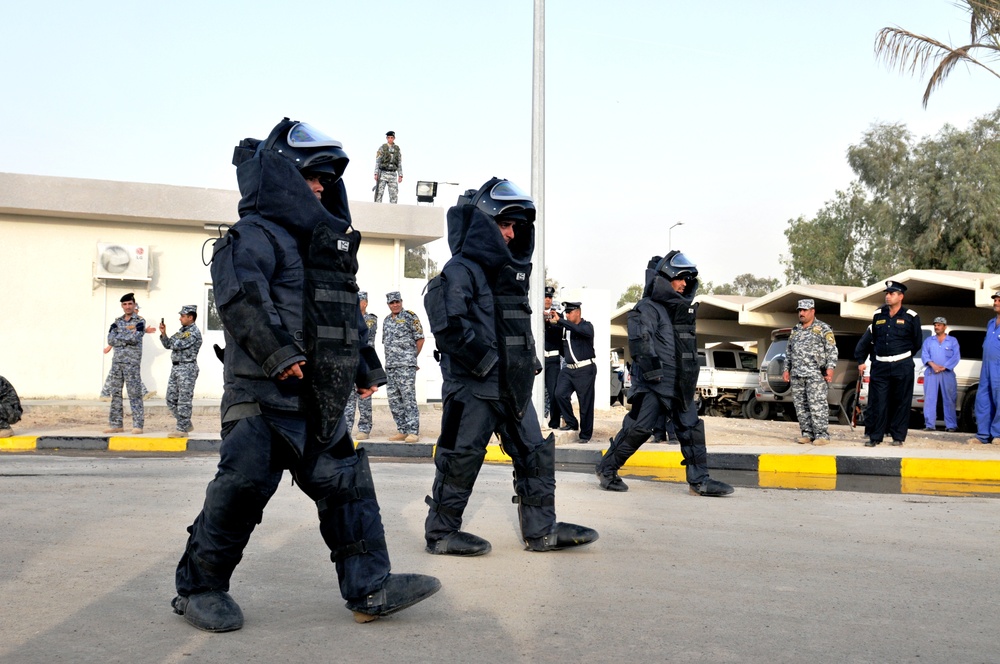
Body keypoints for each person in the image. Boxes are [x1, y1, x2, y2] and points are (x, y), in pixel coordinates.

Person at [172, 117, 439, 632]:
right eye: (311, 177)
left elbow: (345, 316)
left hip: (320, 399)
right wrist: (277, 354)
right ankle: (199, 590)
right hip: (262, 399)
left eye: (326, 179)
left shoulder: (326, 245)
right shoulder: (251, 236)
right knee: (241, 491)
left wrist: (364, 365)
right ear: (283, 178)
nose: (320, 187)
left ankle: (369, 587)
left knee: (346, 487)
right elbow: (241, 299)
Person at [422, 177, 598, 556]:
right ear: (483, 224)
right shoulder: (460, 270)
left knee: (535, 454)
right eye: (504, 224)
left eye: (515, 226)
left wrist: (526, 360)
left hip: (513, 386)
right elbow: (449, 327)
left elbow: (514, 327)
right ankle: (441, 533)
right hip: (473, 388)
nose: (510, 233)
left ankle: (542, 530)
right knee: (460, 459)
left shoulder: (510, 276)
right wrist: (486, 363)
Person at [595, 251, 734, 497]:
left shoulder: (681, 310)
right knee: (638, 429)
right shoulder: (647, 308)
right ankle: (607, 469)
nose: (684, 284)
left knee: (691, 430)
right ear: (664, 279)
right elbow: (641, 342)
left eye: (687, 279)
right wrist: (653, 373)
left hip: (681, 384)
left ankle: (699, 480)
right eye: (679, 278)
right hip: (654, 384)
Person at [854, 280, 922, 447]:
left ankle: (898, 436)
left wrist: (902, 356)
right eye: (887, 293)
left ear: (901, 296)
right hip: (881, 365)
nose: (888, 296)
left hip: (902, 364)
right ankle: (875, 437)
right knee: (878, 402)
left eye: (892, 293)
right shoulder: (878, 315)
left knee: (901, 401)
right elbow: (873, 339)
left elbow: (917, 343)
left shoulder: (911, 317)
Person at [781, 298, 838, 445]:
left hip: (816, 374)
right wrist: (786, 369)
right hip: (797, 374)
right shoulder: (795, 330)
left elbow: (832, 350)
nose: (801, 313)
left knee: (817, 405)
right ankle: (806, 433)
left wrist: (830, 368)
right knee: (801, 406)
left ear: (813, 311)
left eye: (805, 310)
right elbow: (789, 352)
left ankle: (822, 435)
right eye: (800, 310)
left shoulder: (824, 328)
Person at [101, 293, 156, 434]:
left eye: (130, 304)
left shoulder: (139, 321)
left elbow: (135, 338)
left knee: (135, 394)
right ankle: (116, 424)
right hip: (117, 362)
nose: (127, 306)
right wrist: (125, 336)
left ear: (134, 304)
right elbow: (110, 339)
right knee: (115, 394)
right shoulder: (117, 321)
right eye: (125, 304)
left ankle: (138, 425)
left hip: (132, 362)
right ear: (122, 306)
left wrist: (120, 336)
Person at [552, 302, 597, 442]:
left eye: (570, 312)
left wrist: (561, 321)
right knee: (559, 394)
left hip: (585, 369)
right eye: (566, 313)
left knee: (585, 403)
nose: (567, 315)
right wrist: (551, 319)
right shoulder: (565, 327)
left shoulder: (587, 326)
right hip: (569, 370)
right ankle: (571, 423)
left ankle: (585, 435)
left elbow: (579, 330)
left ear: (578, 312)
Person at [382, 291, 424, 442]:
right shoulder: (386, 320)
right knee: (394, 399)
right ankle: (402, 430)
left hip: (406, 366)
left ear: (401, 301)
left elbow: (420, 339)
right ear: (388, 304)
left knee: (408, 398)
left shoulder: (410, 316)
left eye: (397, 302)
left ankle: (413, 431)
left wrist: (411, 358)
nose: (395, 305)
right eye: (392, 303)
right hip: (391, 366)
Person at [159, 305, 204, 438]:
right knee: (171, 399)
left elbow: (176, 345)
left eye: (183, 316)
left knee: (184, 400)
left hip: (187, 368)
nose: (180, 318)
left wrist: (173, 341)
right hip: (176, 368)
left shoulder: (194, 333)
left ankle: (182, 429)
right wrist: (163, 333)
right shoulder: (181, 332)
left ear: (190, 317)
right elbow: (168, 344)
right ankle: (185, 423)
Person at [343, 291, 378, 440]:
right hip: (349, 361)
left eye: (361, 301)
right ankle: (347, 428)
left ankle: (364, 428)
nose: (359, 304)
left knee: (364, 398)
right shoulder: (348, 317)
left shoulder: (370, 319)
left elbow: (364, 333)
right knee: (348, 398)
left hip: (365, 361)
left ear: (365, 303)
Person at [921, 316, 960, 432]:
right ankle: (929, 424)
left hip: (947, 373)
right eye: (935, 325)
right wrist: (933, 365)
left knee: (949, 398)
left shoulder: (952, 341)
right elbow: (925, 355)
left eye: (939, 325)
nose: (936, 327)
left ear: (945, 327)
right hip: (932, 372)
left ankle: (951, 425)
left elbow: (956, 356)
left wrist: (944, 367)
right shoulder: (929, 341)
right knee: (930, 398)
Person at [972, 292, 1000, 444]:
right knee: (983, 400)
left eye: (999, 300)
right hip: (987, 368)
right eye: (995, 300)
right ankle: (983, 435)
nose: (996, 302)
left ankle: (998, 435)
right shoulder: (990, 323)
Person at [542, 286, 562, 429]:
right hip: (538, 358)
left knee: (554, 392)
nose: (548, 299)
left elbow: (557, 335)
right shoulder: (533, 314)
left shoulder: (557, 316)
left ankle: (554, 422)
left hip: (552, 359)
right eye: (545, 297)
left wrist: (549, 322)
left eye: (550, 297)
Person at [373, 131, 402, 204]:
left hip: (393, 173)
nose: (390, 139)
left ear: (394, 138)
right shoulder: (382, 148)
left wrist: (400, 175)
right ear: (386, 138)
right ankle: (377, 209)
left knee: (394, 195)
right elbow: (378, 161)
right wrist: (376, 173)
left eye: (391, 138)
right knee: (379, 193)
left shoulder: (397, 149)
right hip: (383, 173)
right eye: (388, 138)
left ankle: (393, 211)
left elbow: (399, 163)